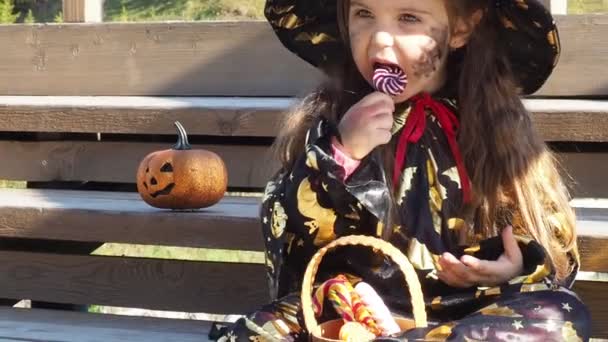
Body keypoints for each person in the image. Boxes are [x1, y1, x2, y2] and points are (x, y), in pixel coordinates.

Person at [212, 0, 591, 340]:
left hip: (465, 313)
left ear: (461, 28)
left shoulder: (497, 128)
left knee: (561, 314)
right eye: (363, 14)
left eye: (408, 18)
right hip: (352, 314)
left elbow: (554, 237)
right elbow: (286, 231)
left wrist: (516, 266)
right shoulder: (331, 122)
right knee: (260, 330)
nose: (379, 41)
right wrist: (341, 155)